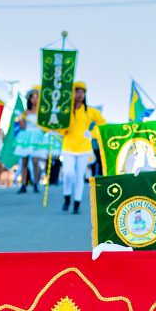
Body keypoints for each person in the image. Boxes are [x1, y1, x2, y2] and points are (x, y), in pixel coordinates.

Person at [60, 81, 106, 213]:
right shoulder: (66, 110)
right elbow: (60, 128)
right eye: (77, 91)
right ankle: (67, 197)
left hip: (84, 148)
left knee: (79, 176)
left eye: (82, 92)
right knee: (68, 174)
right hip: (68, 147)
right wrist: (59, 129)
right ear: (72, 93)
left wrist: (92, 133)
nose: (80, 94)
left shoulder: (90, 111)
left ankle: (76, 203)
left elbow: (102, 124)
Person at [15, 89, 45, 193]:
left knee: (35, 161)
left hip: (37, 137)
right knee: (24, 161)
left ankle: (35, 183)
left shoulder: (41, 113)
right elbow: (23, 127)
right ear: (29, 99)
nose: (35, 99)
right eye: (33, 97)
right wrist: (20, 119)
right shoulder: (25, 113)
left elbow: (43, 127)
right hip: (26, 137)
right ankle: (23, 184)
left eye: (37, 97)